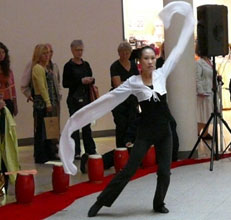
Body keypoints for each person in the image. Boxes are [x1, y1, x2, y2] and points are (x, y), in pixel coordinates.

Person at [58, 1, 194, 217]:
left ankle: (159, 203)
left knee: (165, 171)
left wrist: (188, 20)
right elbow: (109, 99)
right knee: (129, 169)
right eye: (146, 59)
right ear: (139, 62)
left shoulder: (162, 74)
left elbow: (178, 51)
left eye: (153, 58)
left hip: (164, 131)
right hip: (145, 131)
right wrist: (77, 118)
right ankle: (101, 202)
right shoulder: (133, 82)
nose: (150, 62)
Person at [62, 40, 97, 161]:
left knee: (87, 125)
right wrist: (80, 81)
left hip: (86, 98)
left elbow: (92, 78)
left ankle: (90, 149)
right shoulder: (68, 66)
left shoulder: (86, 64)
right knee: (75, 126)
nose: (80, 52)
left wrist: (90, 80)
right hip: (73, 99)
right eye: (77, 50)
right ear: (72, 50)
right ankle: (75, 151)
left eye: (81, 50)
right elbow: (65, 83)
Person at [31, 44, 58, 163]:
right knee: (41, 130)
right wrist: (47, 102)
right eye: (44, 53)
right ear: (38, 55)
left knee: (48, 129)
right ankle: (40, 155)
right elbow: (42, 87)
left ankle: (49, 152)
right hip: (42, 103)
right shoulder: (37, 68)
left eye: (48, 53)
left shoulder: (46, 67)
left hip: (48, 101)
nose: (47, 56)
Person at [110, 41, 139, 149]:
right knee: (121, 125)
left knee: (132, 125)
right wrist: (131, 83)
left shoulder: (133, 65)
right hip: (119, 101)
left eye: (127, 53)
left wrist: (126, 82)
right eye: (123, 53)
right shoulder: (115, 66)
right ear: (119, 53)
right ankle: (120, 151)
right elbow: (117, 84)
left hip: (132, 99)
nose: (125, 55)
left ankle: (131, 150)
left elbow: (137, 81)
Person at [0, 42, 17, 116]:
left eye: (3, 52)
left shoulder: (8, 70)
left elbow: (12, 88)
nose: (1, 55)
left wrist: (15, 104)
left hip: (8, 100)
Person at [195, 51, 213, 140]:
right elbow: (197, 78)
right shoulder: (199, 63)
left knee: (208, 113)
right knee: (203, 115)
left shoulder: (211, 61)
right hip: (203, 93)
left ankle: (205, 133)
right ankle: (196, 133)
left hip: (211, 91)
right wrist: (200, 90)